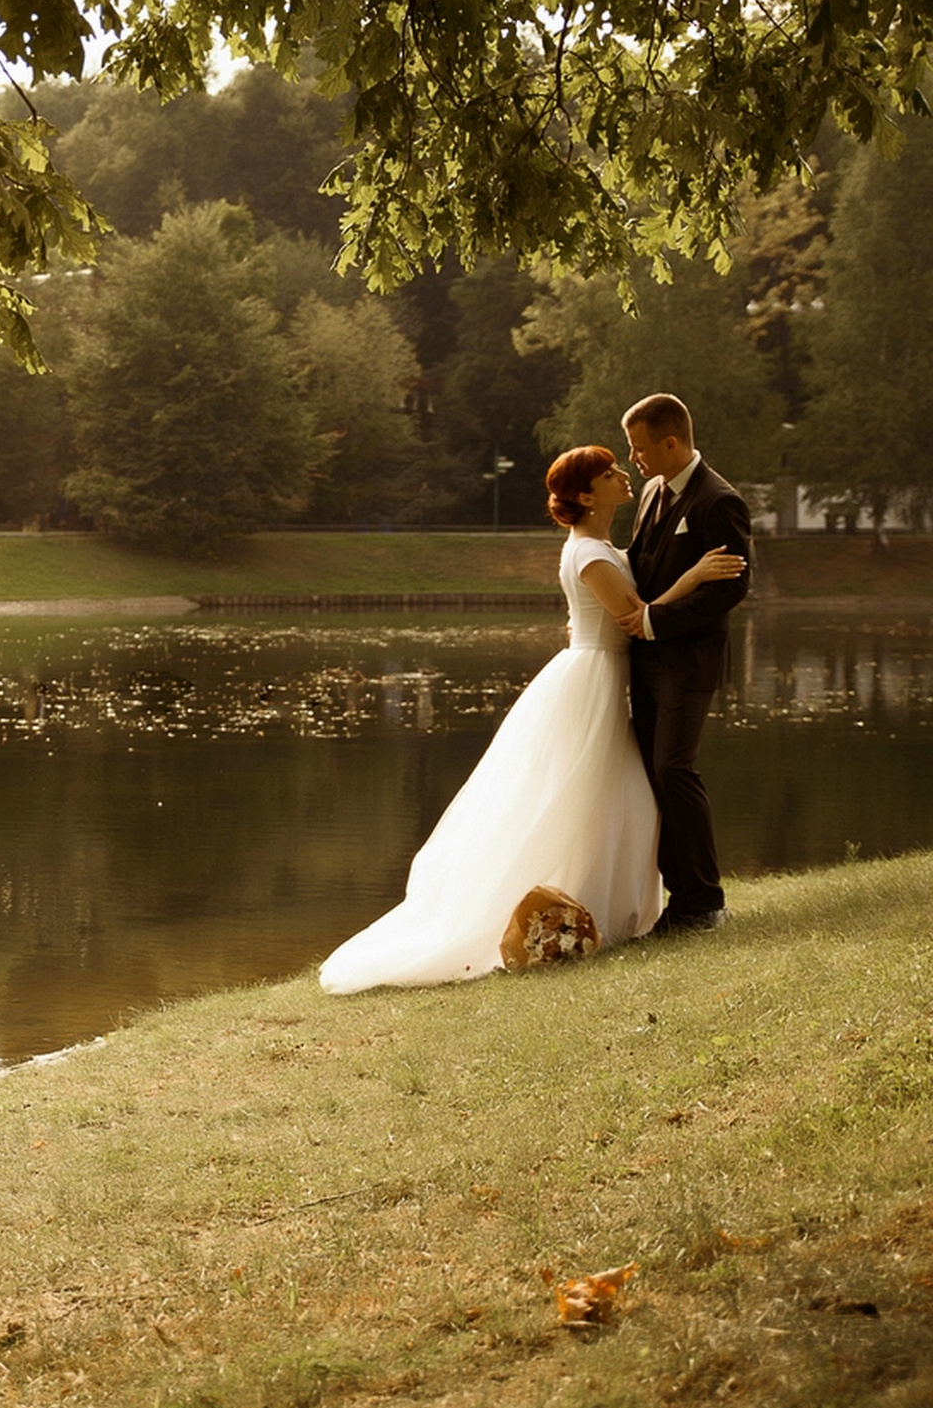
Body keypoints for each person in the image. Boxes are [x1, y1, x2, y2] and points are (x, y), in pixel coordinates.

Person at [318, 445, 744, 994]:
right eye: (610, 472)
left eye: (620, 466)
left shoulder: (603, 545)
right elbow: (635, 620)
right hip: (594, 677)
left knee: (618, 796)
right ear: (586, 496)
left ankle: (606, 907)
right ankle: (575, 907)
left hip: (604, 673)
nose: (622, 475)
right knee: (584, 794)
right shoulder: (589, 554)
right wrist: (696, 576)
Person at [615, 393, 754, 933]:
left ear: (670, 442)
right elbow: (643, 568)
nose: (635, 460)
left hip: (689, 662)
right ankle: (678, 900)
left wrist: (655, 623)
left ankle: (704, 902)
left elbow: (733, 588)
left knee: (675, 769)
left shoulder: (719, 501)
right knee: (654, 774)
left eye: (640, 448)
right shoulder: (652, 492)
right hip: (646, 661)